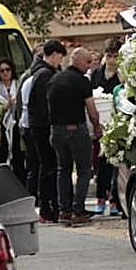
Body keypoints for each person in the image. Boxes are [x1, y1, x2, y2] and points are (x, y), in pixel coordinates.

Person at [48, 47, 102, 226]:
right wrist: (96, 127)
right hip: (75, 129)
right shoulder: (82, 81)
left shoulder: (54, 79)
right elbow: (92, 110)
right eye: (87, 62)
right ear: (76, 60)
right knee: (84, 170)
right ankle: (78, 210)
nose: (89, 66)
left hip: (56, 131)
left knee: (63, 169)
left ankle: (65, 210)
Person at [23, 39, 66, 224]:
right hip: (43, 127)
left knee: (46, 166)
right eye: (60, 57)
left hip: (38, 126)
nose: (60, 62)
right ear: (54, 54)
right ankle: (47, 208)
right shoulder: (45, 75)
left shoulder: (42, 72)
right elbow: (44, 105)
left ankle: (48, 206)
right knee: (47, 166)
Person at [90, 38, 123, 215]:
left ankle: (114, 200)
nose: (111, 60)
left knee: (114, 165)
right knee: (101, 164)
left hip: (116, 122)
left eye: (115, 56)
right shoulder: (96, 74)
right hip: (100, 124)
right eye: (109, 56)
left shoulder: (121, 75)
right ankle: (101, 198)